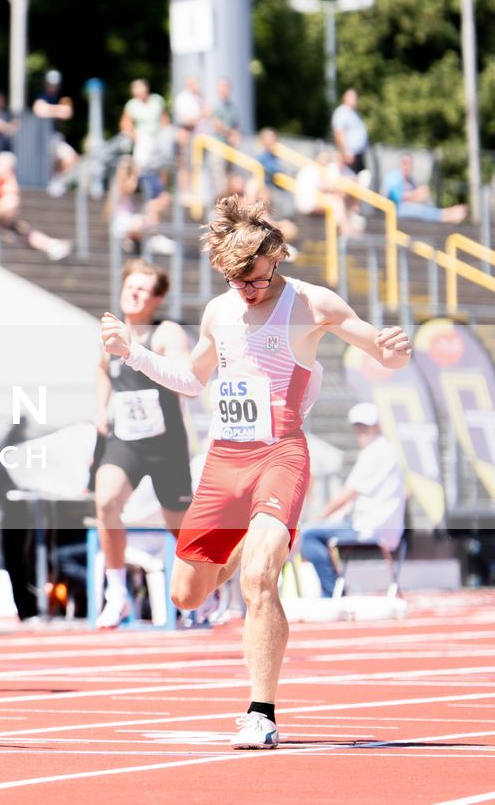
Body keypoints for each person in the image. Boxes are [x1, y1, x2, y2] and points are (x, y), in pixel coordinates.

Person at [100, 196, 411, 749]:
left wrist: (393, 352)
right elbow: (193, 380)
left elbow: (378, 350)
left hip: (280, 455)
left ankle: (261, 712)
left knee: (259, 577)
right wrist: (133, 353)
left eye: (261, 280)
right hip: (224, 462)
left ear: (277, 259)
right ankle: (244, 548)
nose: (251, 291)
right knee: (186, 595)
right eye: (240, 282)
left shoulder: (312, 304)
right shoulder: (220, 313)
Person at [90, 261, 194, 628]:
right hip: (126, 441)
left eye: (142, 289)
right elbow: (103, 371)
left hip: (165, 444)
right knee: (106, 501)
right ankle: (116, 591)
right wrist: (100, 410)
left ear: (158, 298)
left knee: (180, 530)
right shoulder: (110, 333)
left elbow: (186, 371)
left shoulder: (165, 333)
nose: (132, 293)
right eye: (129, 286)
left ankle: (208, 588)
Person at [296, 403, 406, 596]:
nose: (361, 432)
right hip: (383, 527)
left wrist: (321, 517)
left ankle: (331, 592)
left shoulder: (374, 453)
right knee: (317, 531)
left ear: (377, 426)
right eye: (359, 427)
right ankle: (334, 589)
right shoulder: (387, 451)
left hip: (367, 527)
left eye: (365, 426)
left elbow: (348, 493)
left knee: (308, 534)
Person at [0, 151, 70, 260]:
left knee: (25, 230)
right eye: (10, 167)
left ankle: (51, 245)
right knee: (11, 200)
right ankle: (4, 229)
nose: (11, 170)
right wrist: (10, 177)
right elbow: (13, 191)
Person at [383, 152, 467, 224]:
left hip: (407, 208)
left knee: (422, 206)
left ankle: (446, 214)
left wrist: (418, 195)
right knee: (417, 208)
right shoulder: (393, 177)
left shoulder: (410, 180)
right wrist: (415, 195)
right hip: (395, 210)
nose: (407, 166)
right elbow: (396, 198)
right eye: (405, 163)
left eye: (409, 164)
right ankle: (445, 216)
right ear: (400, 164)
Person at [32, 70, 78, 196]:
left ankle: (58, 182)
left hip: (55, 138)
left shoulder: (55, 98)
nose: (53, 87)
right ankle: (54, 183)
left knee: (70, 158)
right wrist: (59, 110)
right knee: (56, 160)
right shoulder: (43, 97)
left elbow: (67, 113)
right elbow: (38, 109)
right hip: (44, 138)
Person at [330, 89, 369, 177]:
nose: (355, 100)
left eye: (355, 98)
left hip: (358, 155)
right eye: (352, 98)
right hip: (348, 155)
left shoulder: (356, 114)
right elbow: (338, 132)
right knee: (348, 180)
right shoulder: (342, 112)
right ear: (345, 98)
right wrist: (345, 151)